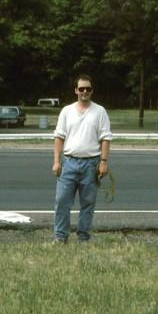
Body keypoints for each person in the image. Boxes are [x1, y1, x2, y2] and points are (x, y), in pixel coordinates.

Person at [51, 74, 112, 243]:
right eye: (81, 89)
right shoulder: (66, 111)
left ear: (92, 91)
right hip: (69, 162)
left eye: (88, 89)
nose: (84, 92)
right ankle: (60, 237)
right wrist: (56, 161)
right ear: (76, 90)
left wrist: (104, 162)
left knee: (88, 204)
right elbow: (59, 137)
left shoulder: (100, 111)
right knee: (62, 202)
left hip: (91, 164)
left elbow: (105, 138)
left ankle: (83, 237)